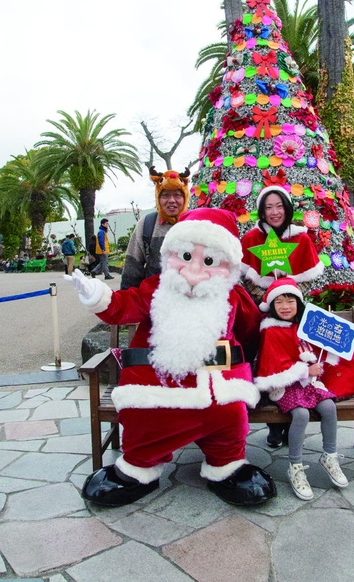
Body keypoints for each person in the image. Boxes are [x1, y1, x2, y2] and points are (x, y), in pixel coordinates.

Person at [67, 208, 276, 508]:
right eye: (187, 258)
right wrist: (99, 295)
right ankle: (139, 467)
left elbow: (252, 330)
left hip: (215, 389)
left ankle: (227, 465)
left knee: (230, 415)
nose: (193, 273)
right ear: (171, 255)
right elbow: (123, 307)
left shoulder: (233, 296)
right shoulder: (156, 288)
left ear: (228, 265)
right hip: (156, 387)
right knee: (144, 417)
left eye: (209, 261)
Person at [241, 185, 324, 448]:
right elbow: (244, 277)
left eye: (279, 206)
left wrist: (290, 299)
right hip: (263, 312)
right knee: (268, 362)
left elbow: (310, 278)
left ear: (287, 208)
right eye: (268, 207)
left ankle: (292, 421)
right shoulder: (253, 238)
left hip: (294, 312)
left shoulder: (301, 239)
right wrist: (267, 301)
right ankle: (274, 424)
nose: (274, 212)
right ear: (262, 211)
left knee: (295, 359)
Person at [255, 278, 349, 500]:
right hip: (283, 386)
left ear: (298, 303)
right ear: (272, 306)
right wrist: (306, 371)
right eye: (279, 302)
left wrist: (321, 360)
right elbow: (273, 365)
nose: (285, 306)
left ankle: (329, 456)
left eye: (290, 301)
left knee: (328, 407)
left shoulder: (304, 326)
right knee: (301, 414)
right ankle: (295, 466)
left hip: (309, 384)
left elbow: (318, 349)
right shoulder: (270, 331)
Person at [121, 167, 189, 290]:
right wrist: (127, 300)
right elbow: (133, 264)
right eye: (165, 195)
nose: (171, 200)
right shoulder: (147, 224)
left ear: (185, 197)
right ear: (158, 197)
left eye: (177, 195)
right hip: (153, 300)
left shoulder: (194, 223)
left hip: (189, 301)